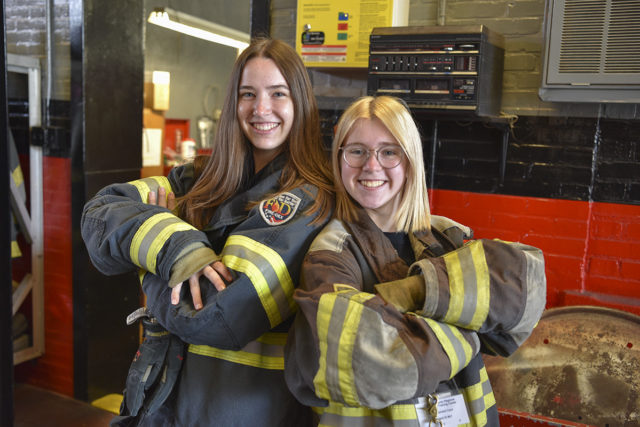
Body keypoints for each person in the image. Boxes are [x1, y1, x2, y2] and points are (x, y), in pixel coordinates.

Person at [81, 38, 334, 426]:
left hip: (242, 408)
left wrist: (151, 265)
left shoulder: (307, 201)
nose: (261, 109)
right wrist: (179, 248)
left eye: (278, 94)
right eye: (248, 94)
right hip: (164, 399)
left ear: (301, 102)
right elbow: (99, 214)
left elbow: (218, 316)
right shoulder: (196, 178)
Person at [284, 96, 547, 426]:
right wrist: (468, 325)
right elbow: (375, 367)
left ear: (409, 161)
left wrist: (414, 293)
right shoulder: (331, 253)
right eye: (356, 150)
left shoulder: (442, 236)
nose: (371, 165)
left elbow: (526, 291)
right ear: (339, 159)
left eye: (389, 151)